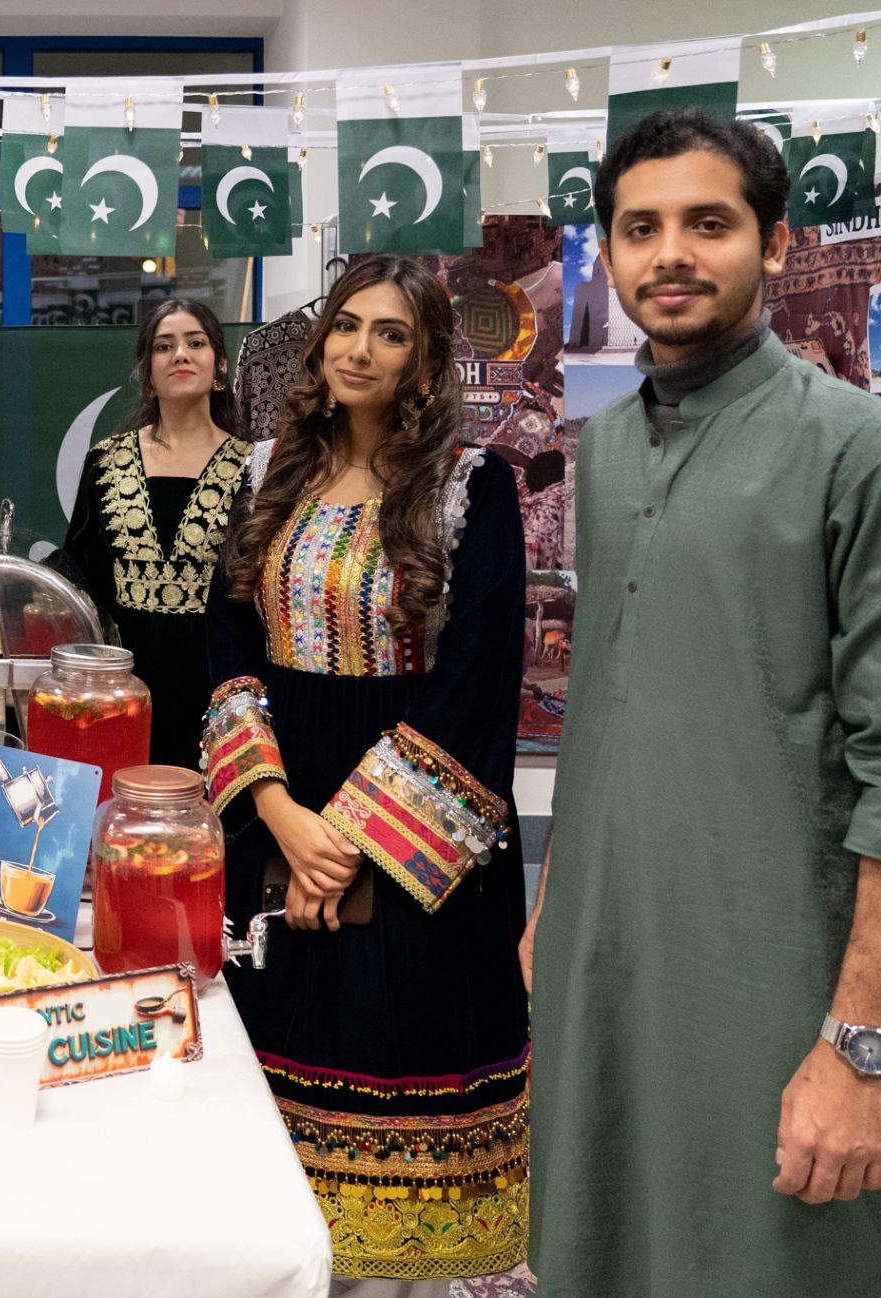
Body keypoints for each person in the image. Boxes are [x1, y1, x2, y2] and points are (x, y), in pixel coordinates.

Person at [522, 108, 881, 1297]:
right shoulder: (608, 450)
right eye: (640, 228)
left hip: (783, 982)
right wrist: (555, 903)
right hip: (612, 959)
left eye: (707, 223)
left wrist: (857, 1048)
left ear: (773, 243)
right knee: (607, 1242)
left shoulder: (869, 458)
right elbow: (611, 697)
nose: (669, 253)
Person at [204, 255, 529, 1292]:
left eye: (391, 334)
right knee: (268, 1089)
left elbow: (478, 683)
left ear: (425, 359)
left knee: (395, 1075)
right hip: (279, 822)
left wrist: (344, 845)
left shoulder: (475, 487)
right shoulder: (263, 476)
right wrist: (279, 814)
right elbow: (226, 651)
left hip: (415, 845)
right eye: (347, 325)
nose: (360, 349)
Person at [62, 298, 251, 768]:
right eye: (164, 346)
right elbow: (81, 573)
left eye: (196, 343)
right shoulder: (107, 461)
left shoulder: (254, 467)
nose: (180, 354)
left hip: (222, 680)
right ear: (147, 371)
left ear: (220, 364)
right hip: (124, 684)